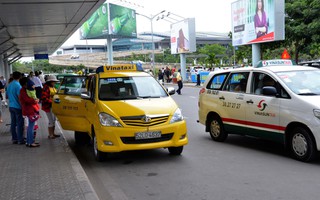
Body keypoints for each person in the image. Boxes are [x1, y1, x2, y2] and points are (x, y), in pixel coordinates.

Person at [19, 78, 40, 147]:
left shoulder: (25, 90)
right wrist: (35, 100)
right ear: (25, 84)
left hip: (29, 110)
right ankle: (31, 142)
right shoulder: (23, 91)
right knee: (31, 127)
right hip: (29, 110)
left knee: (30, 127)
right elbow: (27, 100)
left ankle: (28, 142)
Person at [7, 71, 24, 144]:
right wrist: (23, 107)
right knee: (20, 123)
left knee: (13, 123)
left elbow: (7, 96)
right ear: (20, 77)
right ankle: (20, 139)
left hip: (11, 106)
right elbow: (19, 97)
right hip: (17, 107)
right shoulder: (18, 86)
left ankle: (14, 139)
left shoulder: (9, 85)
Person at [41, 75, 60, 139]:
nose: (54, 83)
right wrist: (51, 102)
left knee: (54, 120)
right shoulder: (46, 88)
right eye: (53, 81)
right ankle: (50, 135)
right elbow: (44, 98)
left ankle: (53, 133)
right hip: (48, 106)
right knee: (51, 121)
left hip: (53, 106)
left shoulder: (53, 87)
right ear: (50, 81)